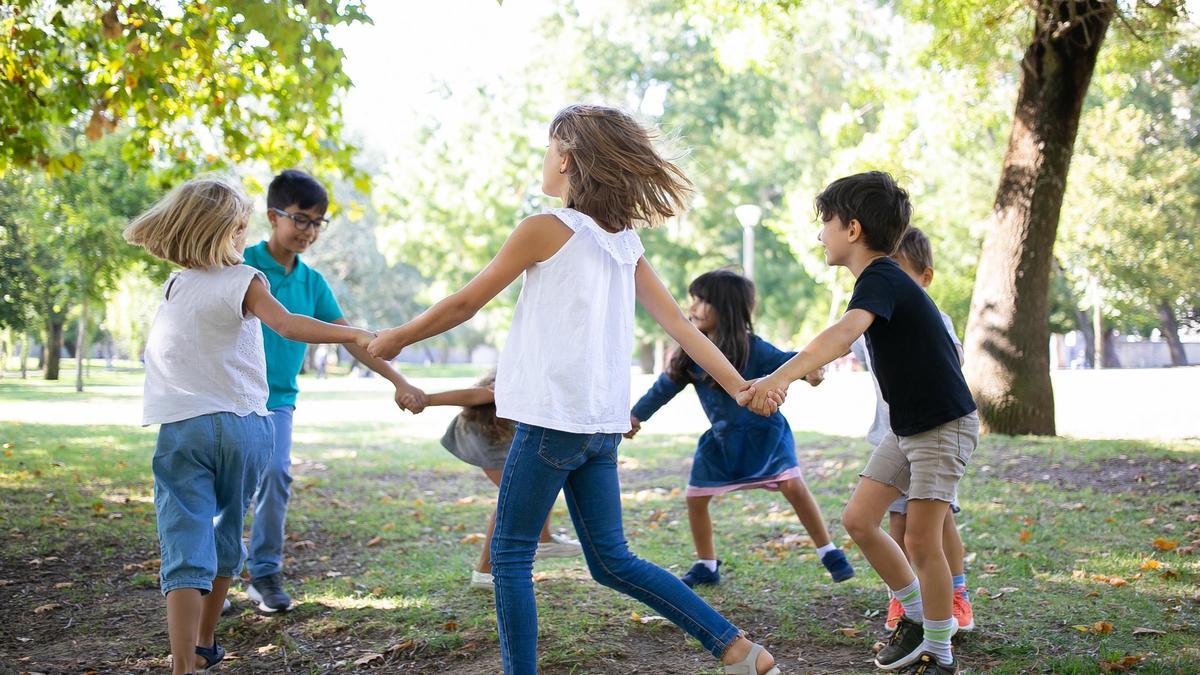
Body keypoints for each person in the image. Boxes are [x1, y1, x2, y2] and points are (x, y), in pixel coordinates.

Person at [369, 104, 782, 675]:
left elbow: (467, 302)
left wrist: (398, 336)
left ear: (565, 157)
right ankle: (738, 651)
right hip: (599, 430)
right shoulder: (623, 243)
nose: (543, 158)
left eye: (548, 146)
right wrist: (739, 385)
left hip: (551, 423)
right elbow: (682, 329)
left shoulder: (545, 229)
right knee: (611, 561)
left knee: (510, 555)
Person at [125, 176, 374, 675]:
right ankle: (205, 639)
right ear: (226, 231)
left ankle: (182, 666)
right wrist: (362, 334)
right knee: (226, 530)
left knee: (183, 538)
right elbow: (288, 325)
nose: (244, 238)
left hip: (184, 431)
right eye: (240, 228)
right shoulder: (246, 279)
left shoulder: (174, 285)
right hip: (245, 427)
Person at [743, 172, 978, 674]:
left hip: (942, 426)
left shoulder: (882, 276)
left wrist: (777, 378)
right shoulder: (880, 283)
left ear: (852, 229)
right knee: (858, 520)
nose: (820, 233)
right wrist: (806, 367)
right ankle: (915, 618)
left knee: (921, 539)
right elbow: (849, 336)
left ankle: (940, 651)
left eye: (824, 222)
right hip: (909, 428)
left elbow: (846, 330)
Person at [241, 169, 426, 613]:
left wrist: (399, 381)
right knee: (228, 490)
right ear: (273, 216)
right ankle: (210, 576)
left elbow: (351, 340)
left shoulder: (312, 283)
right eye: (301, 219)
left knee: (276, 476)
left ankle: (264, 572)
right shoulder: (241, 265)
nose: (309, 231)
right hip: (232, 398)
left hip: (279, 400)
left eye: (318, 222)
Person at [627, 269, 853, 587]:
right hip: (722, 443)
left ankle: (828, 551)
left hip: (767, 436)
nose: (692, 307)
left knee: (793, 487)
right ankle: (706, 564)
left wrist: (813, 370)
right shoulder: (691, 354)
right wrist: (636, 416)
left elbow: (792, 362)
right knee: (695, 497)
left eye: (701, 300)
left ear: (726, 308)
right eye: (692, 299)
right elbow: (664, 388)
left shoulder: (753, 348)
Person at [849, 228, 974, 633]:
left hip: (935, 429)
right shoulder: (868, 308)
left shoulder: (932, 317)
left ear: (924, 277)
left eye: (901, 273)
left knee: (931, 529)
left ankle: (951, 602)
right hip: (893, 431)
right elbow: (843, 342)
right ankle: (910, 603)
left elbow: (949, 367)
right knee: (895, 525)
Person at [407, 370, 582, 592]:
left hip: (507, 429)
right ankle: (483, 571)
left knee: (540, 485)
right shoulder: (524, 372)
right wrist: (427, 400)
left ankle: (544, 540)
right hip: (484, 432)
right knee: (515, 496)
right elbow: (475, 396)